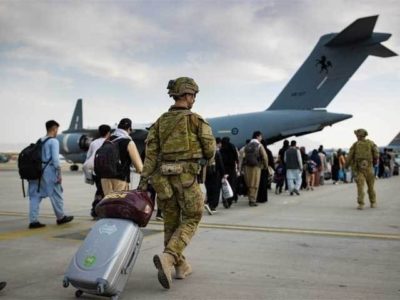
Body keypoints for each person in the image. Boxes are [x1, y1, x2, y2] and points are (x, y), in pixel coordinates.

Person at [138, 77, 215, 289]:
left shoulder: (159, 122)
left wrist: (144, 182)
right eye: (194, 96)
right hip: (187, 178)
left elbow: (150, 155)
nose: (194, 100)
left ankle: (180, 266)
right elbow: (209, 150)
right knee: (192, 217)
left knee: (171, 222)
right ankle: (169, 256)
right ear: (187, 95)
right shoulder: (196, 120)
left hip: (162, 181)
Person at [28, 120, 74, 229]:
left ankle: (33, 221)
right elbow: (56, 160)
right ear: (54, 129)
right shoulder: (54, 141)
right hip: (49, 172)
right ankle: (60, 217)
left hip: (36, 172)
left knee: (35, 197)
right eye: (57, 129)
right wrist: (59, 175)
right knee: (56, 194)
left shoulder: (40, 140)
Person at [100, 118, 143, 196]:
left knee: (108, 203)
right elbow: (139, 166)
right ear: (129, 129)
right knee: (119, 203)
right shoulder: (128, 142)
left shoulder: (108, 140)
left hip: (104, 177)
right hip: (120, 178)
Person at [345, 129, 379, 210]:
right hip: (369, 168)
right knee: (370, 187)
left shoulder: (355, 145)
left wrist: (346, 165)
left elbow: (349, 156)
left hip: (360, 169)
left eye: (357, 135)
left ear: (359, 135)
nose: (357, 136)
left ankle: (362, 204)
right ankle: (373, 202)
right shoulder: (371, 143)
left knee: (361, 187)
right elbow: (377, 155)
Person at [83, 124, 111, 218]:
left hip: (95, 170)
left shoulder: (93, 143)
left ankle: (97, 210)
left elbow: (88, 157)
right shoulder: (110, 142)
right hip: (105, 170)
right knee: (103, 191)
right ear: (108, 133)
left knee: (99, 189)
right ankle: (96, 210)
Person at [243, 131, 269, 206]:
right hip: (256, 166)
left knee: (249, 183)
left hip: (247, 166)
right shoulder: (259, 145)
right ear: (257, 136)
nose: (261, 138)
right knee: (254, 183)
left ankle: (250, 198)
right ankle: (252, 200)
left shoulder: (247, 145)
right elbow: (265, 156)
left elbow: (242, 155)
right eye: (261, 137)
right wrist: (265, 165)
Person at [205, 138, 226, 213]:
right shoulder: (217, 152)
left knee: (209, 189)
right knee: (216, 190)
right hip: (216, 174)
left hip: (207, 174)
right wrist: (223, 174)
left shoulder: (205, 152)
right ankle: (213, 206)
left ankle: (209, 203)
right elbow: (221, 164)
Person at [219, 137, 239, 207]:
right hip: (231, 169)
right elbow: (236, 157)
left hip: (224, 169)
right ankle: (230, 199)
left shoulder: (222, 148)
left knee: (224, 185)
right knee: (231, 184)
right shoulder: (232, 146)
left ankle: (225, 199)